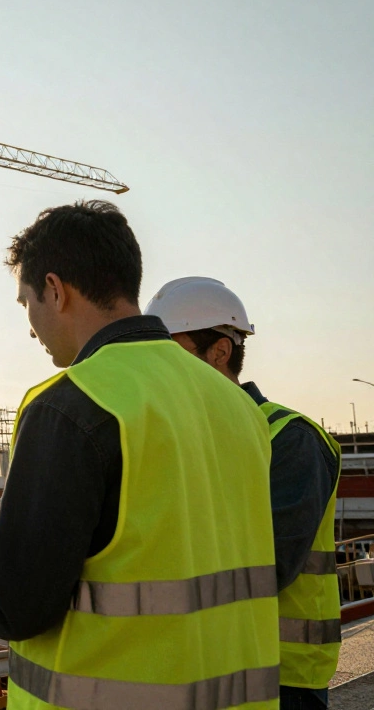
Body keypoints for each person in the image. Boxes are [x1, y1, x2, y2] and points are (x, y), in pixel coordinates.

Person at [0, 201, 279, 709]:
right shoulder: (238, 407)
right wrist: (29, 519)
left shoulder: (70, 404)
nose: (31, 328)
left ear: (56, 290)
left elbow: (15, 606)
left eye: (27, 305)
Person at [146, 276, 342, 709]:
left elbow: (267, 566)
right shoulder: (186, 441)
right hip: (206, 664)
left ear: (220, 352)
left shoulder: (291, 439)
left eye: (173, 356)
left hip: (284, 675)